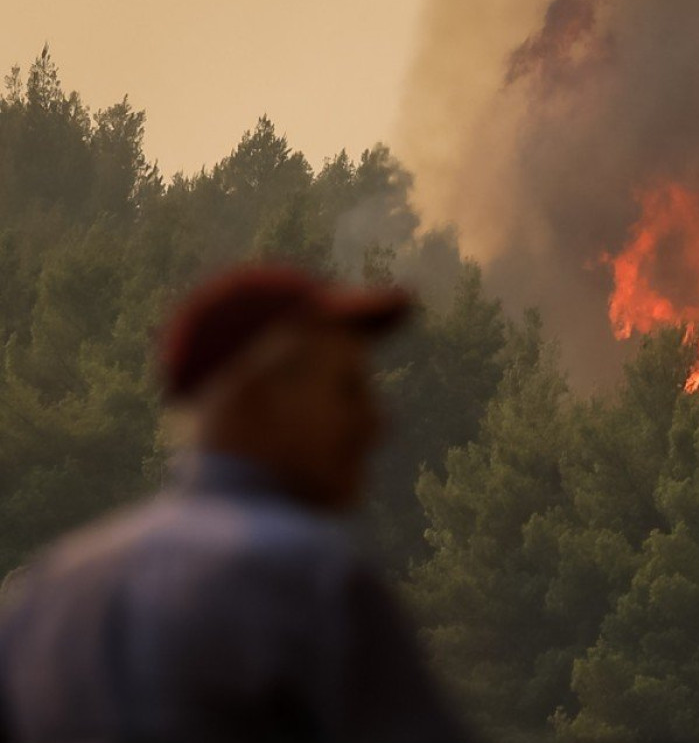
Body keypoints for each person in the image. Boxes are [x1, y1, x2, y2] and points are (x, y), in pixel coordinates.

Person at [0, 266, 470, 742]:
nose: (376, 422)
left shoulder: (43, 596)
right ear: (254, 394)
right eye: (348, 389)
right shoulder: (309, 582)